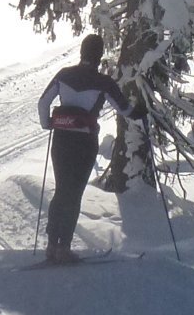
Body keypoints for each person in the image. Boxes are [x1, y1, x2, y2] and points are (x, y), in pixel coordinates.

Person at [36, 33, 142, 263]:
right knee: (74, 193)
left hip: (61, 139)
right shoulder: (103, 82)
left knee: (62, 189)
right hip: (84, 143)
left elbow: (43, 102)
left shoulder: (63, 75)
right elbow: (124, 110)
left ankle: (52, 245)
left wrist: (47, 124)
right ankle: (64, 247)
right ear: (99, 55)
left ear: (82, 52)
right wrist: (140, 111)